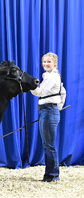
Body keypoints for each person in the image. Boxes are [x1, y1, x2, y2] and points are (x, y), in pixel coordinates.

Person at [31, 52, 66, 182]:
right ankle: (50, 174)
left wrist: (30, 86)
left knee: (49, 145)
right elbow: (63, 92)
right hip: (48, 111)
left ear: (55, 63)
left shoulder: (52, 77)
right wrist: (58, 107)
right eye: (44, 62)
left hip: (48, 111)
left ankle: (53, 175)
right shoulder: (53, 76)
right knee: (48, 144)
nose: (46, 64)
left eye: (49, 62)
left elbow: (40, 92)